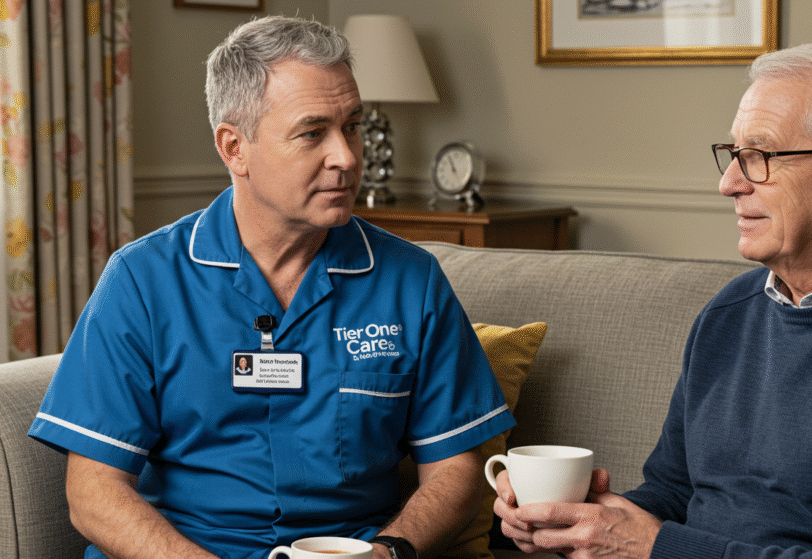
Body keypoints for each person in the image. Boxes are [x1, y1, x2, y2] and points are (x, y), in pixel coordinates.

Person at [28, 16, 516, 559]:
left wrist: (389, 552)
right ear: (234, 148)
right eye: (313, 133)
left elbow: (454, 470)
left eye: (351, 126)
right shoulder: (141, 281)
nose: (347, 157)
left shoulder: (412, 281)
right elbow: (93, 492)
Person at [491, 42, 812, 559]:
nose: (728, 184)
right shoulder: (729, 312)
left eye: (759, 156)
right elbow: (673, 496)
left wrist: (656, 547)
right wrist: (574, 521)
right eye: (733, 155)